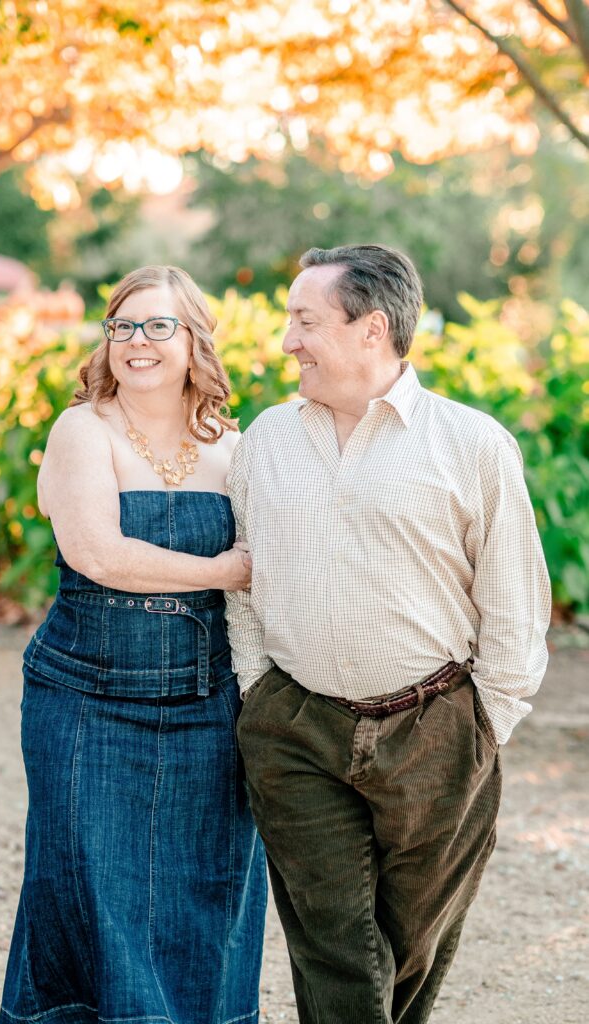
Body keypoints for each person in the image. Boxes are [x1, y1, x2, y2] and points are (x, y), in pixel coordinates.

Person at [225, 244, 551, 1024]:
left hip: (436, 729)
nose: (286, 342)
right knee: (331, 942)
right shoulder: (265, 439)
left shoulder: (470, 444)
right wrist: (257, 690)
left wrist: (485, 719)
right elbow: (244, 576)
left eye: (304, 321)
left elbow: (513, 599)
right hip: (296, 726)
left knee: (412, 940)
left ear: (370, 329)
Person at [0, 265, 267, 1024]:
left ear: (193, 341)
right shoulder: (80, 429)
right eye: (122, 325)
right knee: (83, 888)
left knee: (206, 891)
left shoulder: (234, 448)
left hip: (206, 707)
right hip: (85, 700)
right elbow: (98, 553)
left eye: (157, 326)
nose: (136, 342)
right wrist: (222, 570)